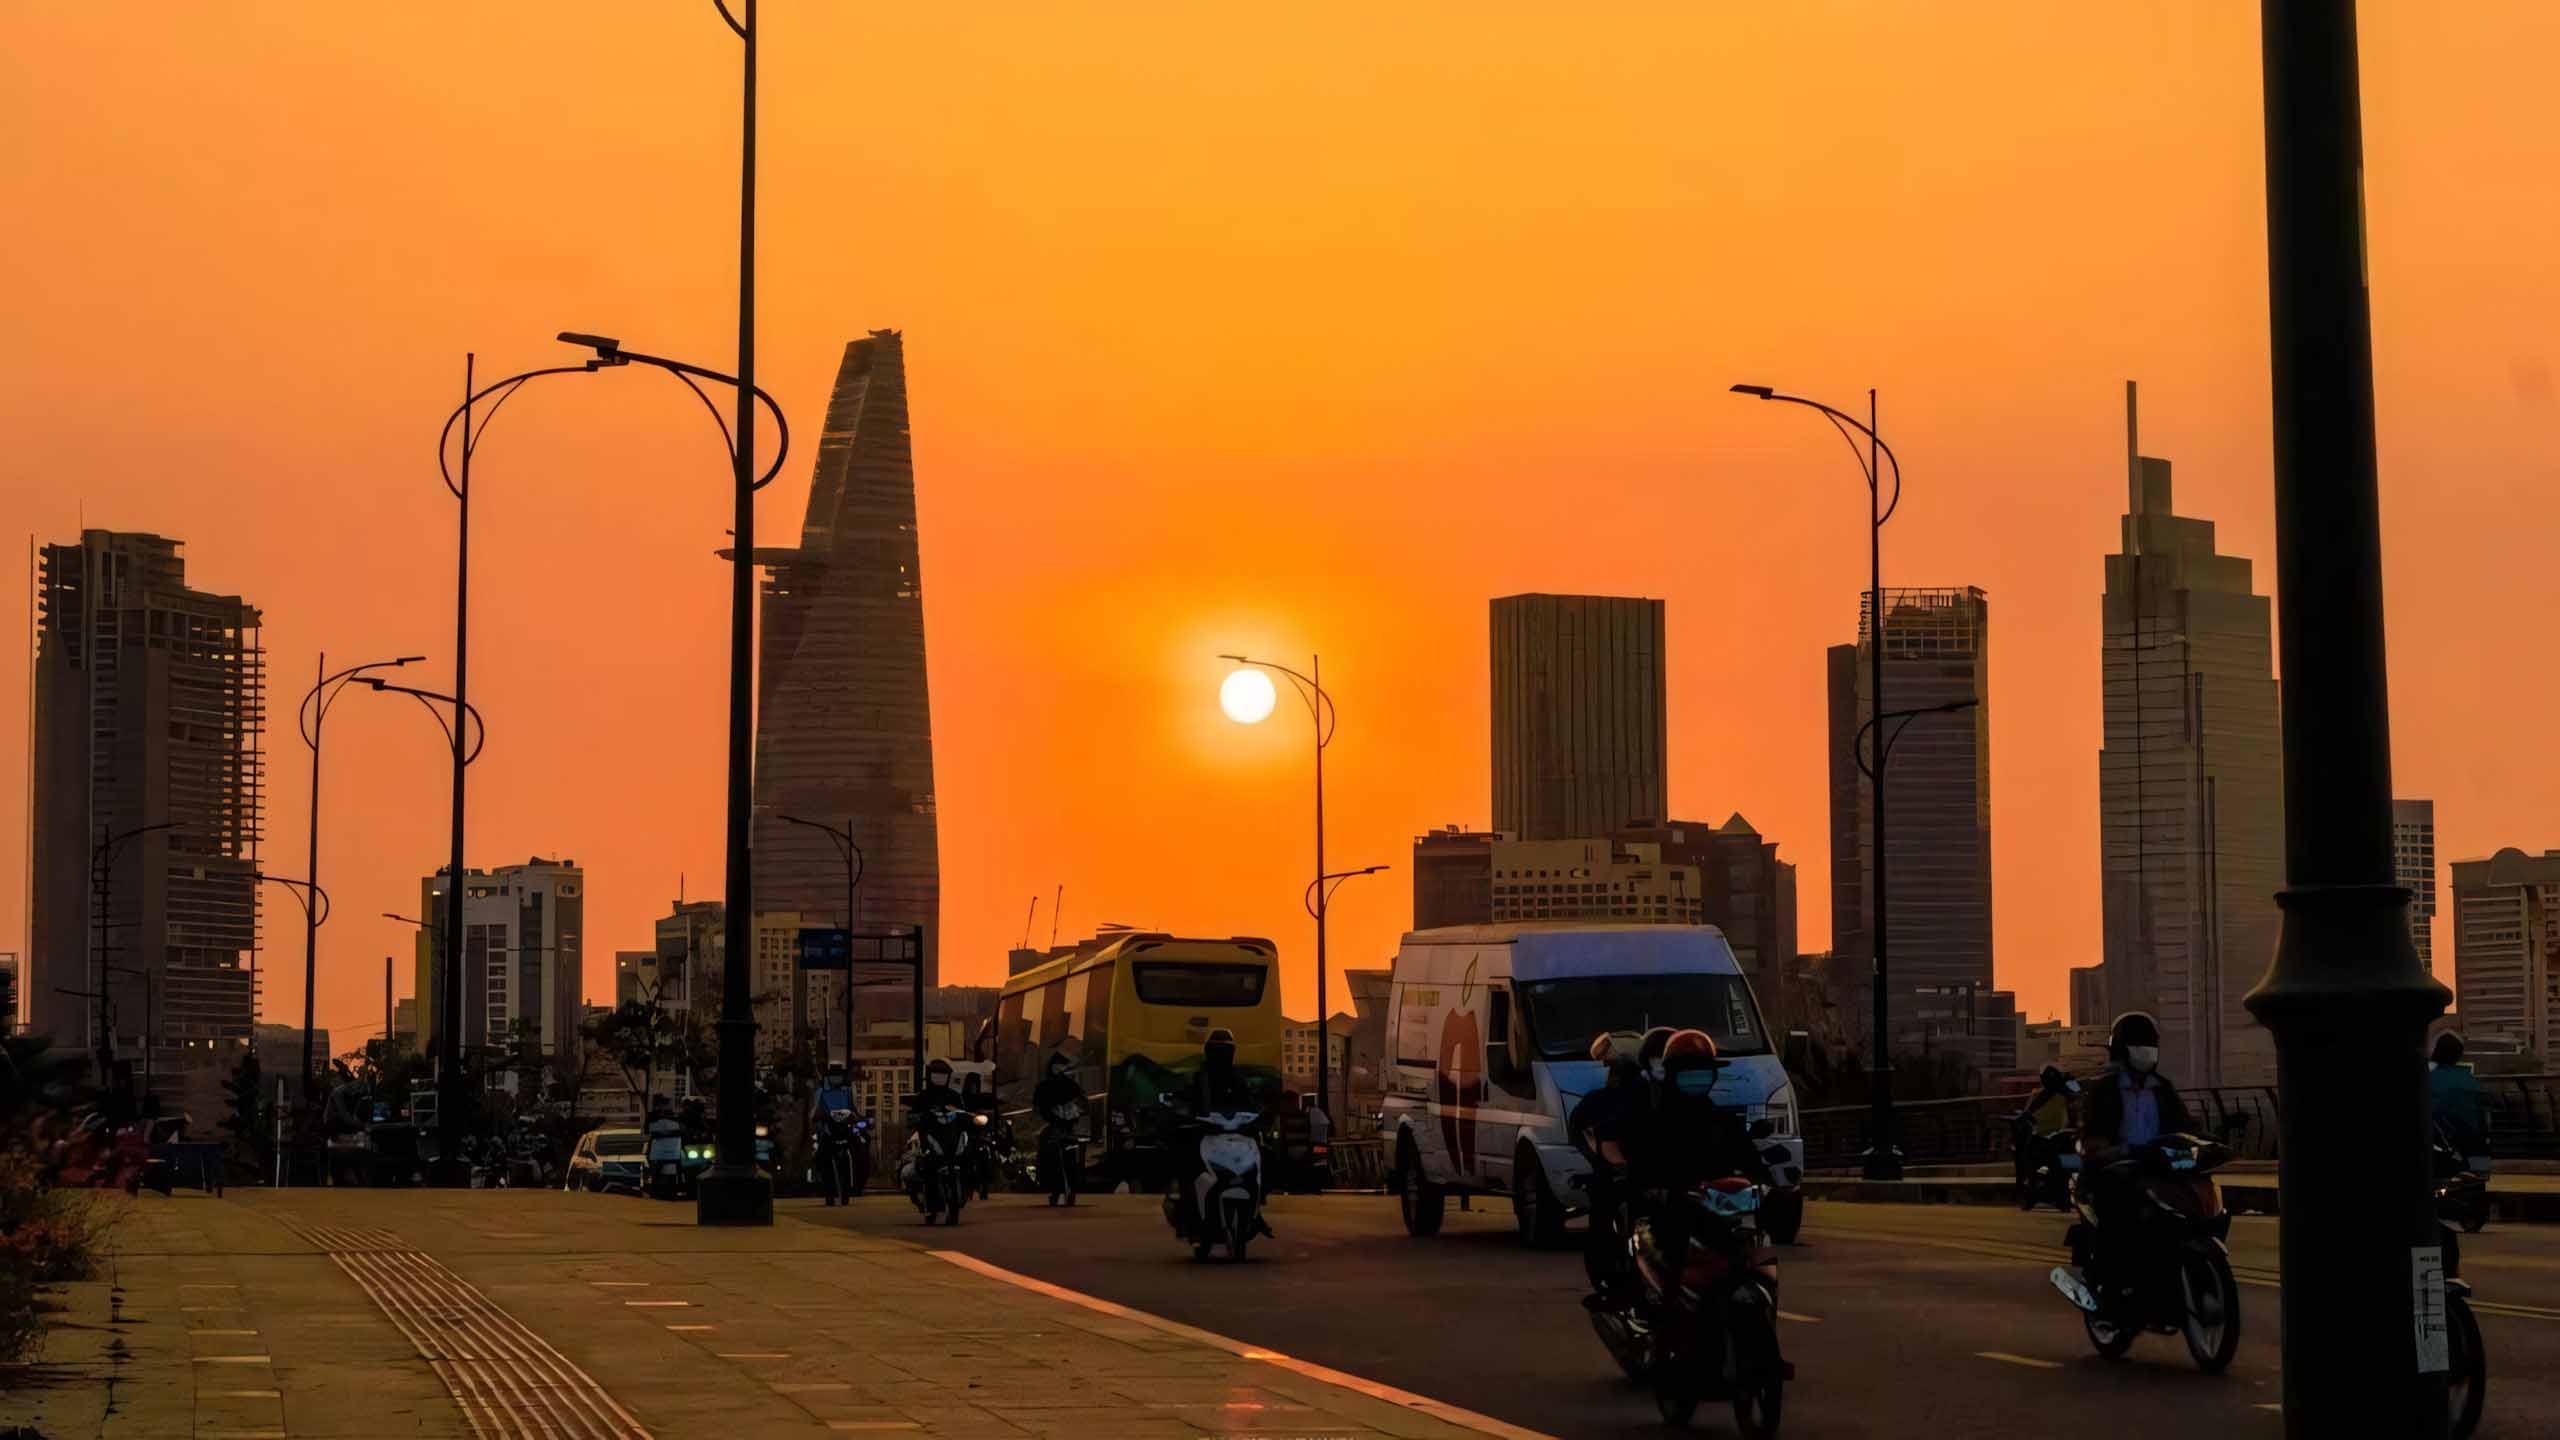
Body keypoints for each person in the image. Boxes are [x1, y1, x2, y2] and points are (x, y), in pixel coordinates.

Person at [2076, 1011, 2196, 1296]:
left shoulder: (2163, 1088)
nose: (2145, 1052)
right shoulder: (2104, 1089)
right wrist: (2107, 1149)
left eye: (2149, 1045)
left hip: (2158, 1167)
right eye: (2137, 1045)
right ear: (2121, 1050)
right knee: (2120, 1219)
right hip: (2116, 1171)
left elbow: (2186, 1126)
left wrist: (2202, 1141)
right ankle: (2112, 1291)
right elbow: (2091, 1132)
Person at [1175, 1029, 1269, 1237]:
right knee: (1185, 1162)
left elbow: (1251, 1104)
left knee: (1265, 1154)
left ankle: (1257, 1208)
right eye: (1218, 1051)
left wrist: (1257, 1118)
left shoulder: (1238, 1079)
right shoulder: (1198, 1078)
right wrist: (1186, 1117)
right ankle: (1188, 1212)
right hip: (1204, 1133)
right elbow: (1184, 1102)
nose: (1222, 1056)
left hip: (1236, 1133)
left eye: (1225, 1051)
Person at [2430, 1031, 2490, 1173]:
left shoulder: (2429, 1079)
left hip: (2441, 1149)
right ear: (2459, 1056)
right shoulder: (2471, 1082)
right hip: (2472, 1150)